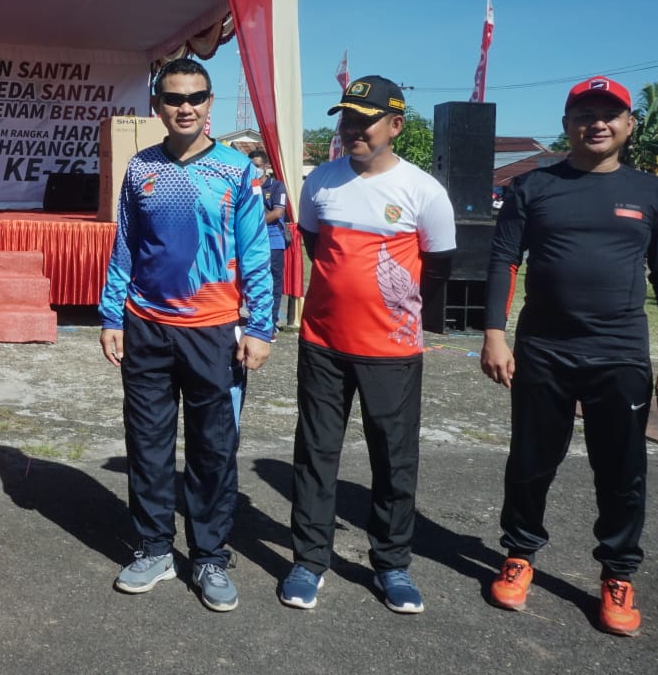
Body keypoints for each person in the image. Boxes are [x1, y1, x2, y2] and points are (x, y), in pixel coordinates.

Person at [480, 75, 658, 637]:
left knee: (622, 471)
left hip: (619, 353)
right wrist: (494, 333)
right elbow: (503, 260)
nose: (596, 123)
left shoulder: (653, 194)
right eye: (584, 114)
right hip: (544, 350)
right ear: (567, 124)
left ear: (629, 124)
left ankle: (618, 573)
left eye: (609, 114)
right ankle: (520, 553)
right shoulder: (533, 186)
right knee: (531, 463)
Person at [99, 58, 275, 613]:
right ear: (157, 106)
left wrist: (261, 325)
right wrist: (111, 316)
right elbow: (125, 245)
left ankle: (209, 556)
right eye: (174, 98)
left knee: (213, 449)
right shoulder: (140, 168)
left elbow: (255, 250)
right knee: (147, 445)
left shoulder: (236, 170)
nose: (185, 107)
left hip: (214, 331)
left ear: (210, 102)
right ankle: (154, 548)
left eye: (196, 97)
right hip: (146, 327)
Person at [279, 75, 455, 615]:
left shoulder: (423, 191)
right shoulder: (321, 182)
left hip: (391, 352)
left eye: (365, 120)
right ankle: (309, 560)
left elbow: (438, 268)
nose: (353, 129)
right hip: (323, 344)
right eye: (347, 119)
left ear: (395, 125)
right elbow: (317, 247)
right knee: (315, 454)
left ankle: (392, 565)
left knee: (394, 460)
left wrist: (394, 317)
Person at [247, 148, 289, 331]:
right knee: (252, 281)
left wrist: (251, 225)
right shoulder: (247, 185)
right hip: (250, 241)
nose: (254, 169)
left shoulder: (276, 186)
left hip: (273, 240)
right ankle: (254, 319)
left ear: (265, 166)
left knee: (273, 282)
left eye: (257, 166)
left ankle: (271, 322)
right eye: (251, 166)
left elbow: (277, 213)